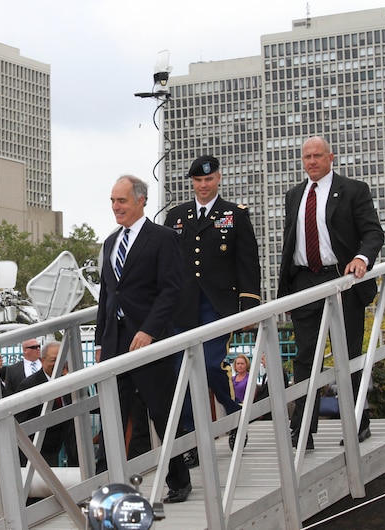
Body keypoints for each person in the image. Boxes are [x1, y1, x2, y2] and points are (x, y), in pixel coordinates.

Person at [278, 136, 384, 450]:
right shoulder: (294, 195)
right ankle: (303, 430)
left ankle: (357, 422)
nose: (311, 161)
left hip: (342, 280)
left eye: (317, 156)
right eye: (306, 157)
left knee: (348, 355)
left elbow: (372, 232)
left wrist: (362, 259)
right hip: (304, 283)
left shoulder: (353, 190)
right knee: (305, 358)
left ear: (330, 157)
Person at [94, 174, 191, 504]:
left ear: (140, 201)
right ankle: (103, 485)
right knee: (112, 415)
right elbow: (107, 295)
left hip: (149, 342)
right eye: (112, 201)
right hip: (115, 343)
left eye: (121, 200)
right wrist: (98, 342)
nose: (115, 207)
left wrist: (149, 330)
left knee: (161, 414)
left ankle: (178, 478)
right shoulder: (109, 243)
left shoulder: (162, 238)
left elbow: (172, 290)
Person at [164, 154, 261, 467]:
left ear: (218, 179)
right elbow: (167, 265)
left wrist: (249, 305)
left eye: (208, 179)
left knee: (207, 365)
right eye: (198, 180)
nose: (203, 185)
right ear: (192, 182)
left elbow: (247, 263)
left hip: (217, 306)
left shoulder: (234, 215)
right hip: (182, 307)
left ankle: (234, 415)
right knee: (180, 374)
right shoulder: (176, 216)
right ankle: (191, 438)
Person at [15, 341, 77, 467]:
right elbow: (22, 423)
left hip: (70, 444)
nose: (58, 364)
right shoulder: (29, 386)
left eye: (61, 359)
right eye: (53, 360)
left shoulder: (69, 380)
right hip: (42, 449)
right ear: (42, 361)